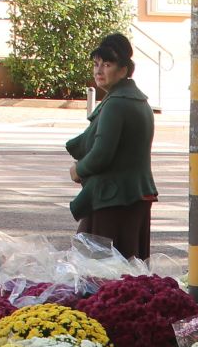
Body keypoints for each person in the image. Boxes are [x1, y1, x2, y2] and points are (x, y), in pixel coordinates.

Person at [65, 34, 157, 259]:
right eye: (96, 64)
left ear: (124, 70)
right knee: (129, 269)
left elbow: (101, 154)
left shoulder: (116, 104)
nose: (99, 71)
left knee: (101, 272)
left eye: (107, 65)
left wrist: (79, 170)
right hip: (134, 195)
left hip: (114, 197)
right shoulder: (137, 100)